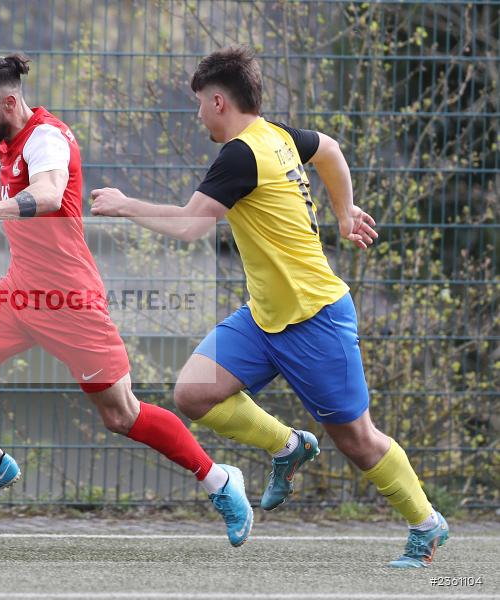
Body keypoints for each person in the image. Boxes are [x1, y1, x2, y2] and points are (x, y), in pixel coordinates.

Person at [90, 45, 448, 568]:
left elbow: (191, 226)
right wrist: (344, 212)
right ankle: (288, 446)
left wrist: (125, 205)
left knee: (359, 442)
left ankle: (427, 524)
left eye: (197, 105)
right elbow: (328, 148)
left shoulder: (241, 153)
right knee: (194, 393)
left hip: (315, 319)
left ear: (217, 101)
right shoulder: (277, 136)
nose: (196, 117)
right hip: (265, 317)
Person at [0, 52, 253, 546]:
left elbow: (50, 195)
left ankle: (220, 481)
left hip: (70, 302)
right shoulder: (10, 138)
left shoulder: (47, 138)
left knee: (122, 416)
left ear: (9, 102)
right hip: (20, 291)